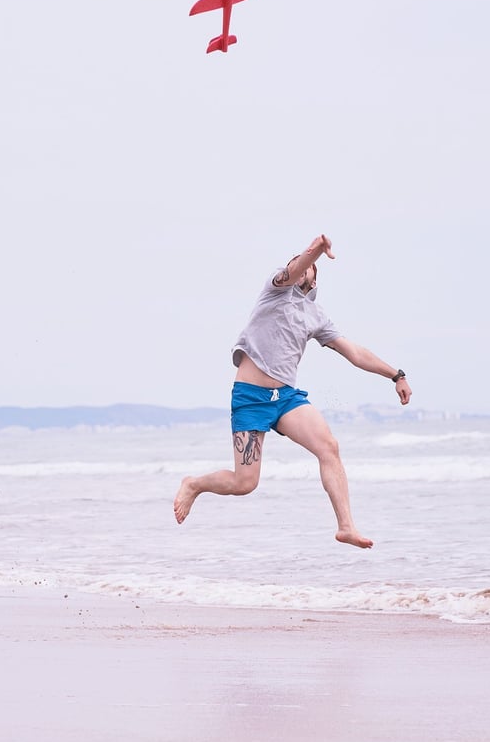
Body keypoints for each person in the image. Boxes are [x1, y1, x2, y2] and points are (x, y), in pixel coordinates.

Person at [173, 234, 412, 548]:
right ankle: (194, 484)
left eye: (309, 268)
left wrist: (396, 374)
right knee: (245, 483)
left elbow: (354, 352)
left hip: (285, 399)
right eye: (298, 263)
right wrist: (314, 251)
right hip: (251, 397)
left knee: (329, 447)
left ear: (314, 282)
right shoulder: (276, 291)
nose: (300, 268)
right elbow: (297, 265)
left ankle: (346, 527)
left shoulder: (316, 315)